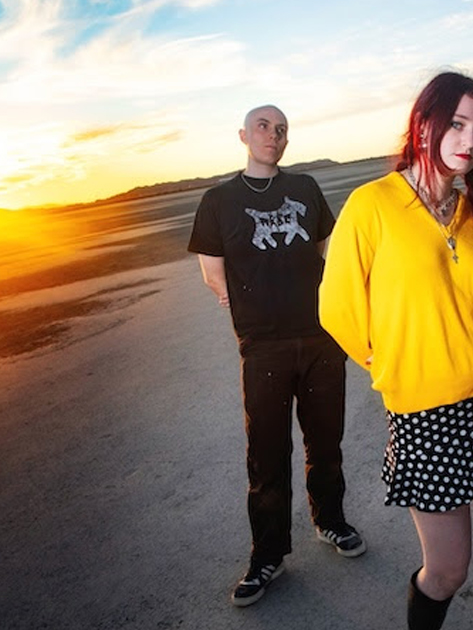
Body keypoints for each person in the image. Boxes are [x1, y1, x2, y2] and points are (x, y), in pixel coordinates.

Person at [319, 72, 473, 630]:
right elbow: (337, 307)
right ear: (423, 123)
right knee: (448, 569)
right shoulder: (370, 205)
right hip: (427, 412)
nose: (469, 141)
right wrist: (389, 361)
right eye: (455, 124)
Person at [187, 104, 366, 608]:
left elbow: (330, 253)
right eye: (264, 126)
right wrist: (241, 303)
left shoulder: (305, 189)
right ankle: (268, 554)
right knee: (266, 454)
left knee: (325, 440)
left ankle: (330, 522)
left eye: (281, 128)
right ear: (243, 135)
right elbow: (211, 268)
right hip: (263, 344)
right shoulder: (219, 199)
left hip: (321, 337)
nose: (274, 134)